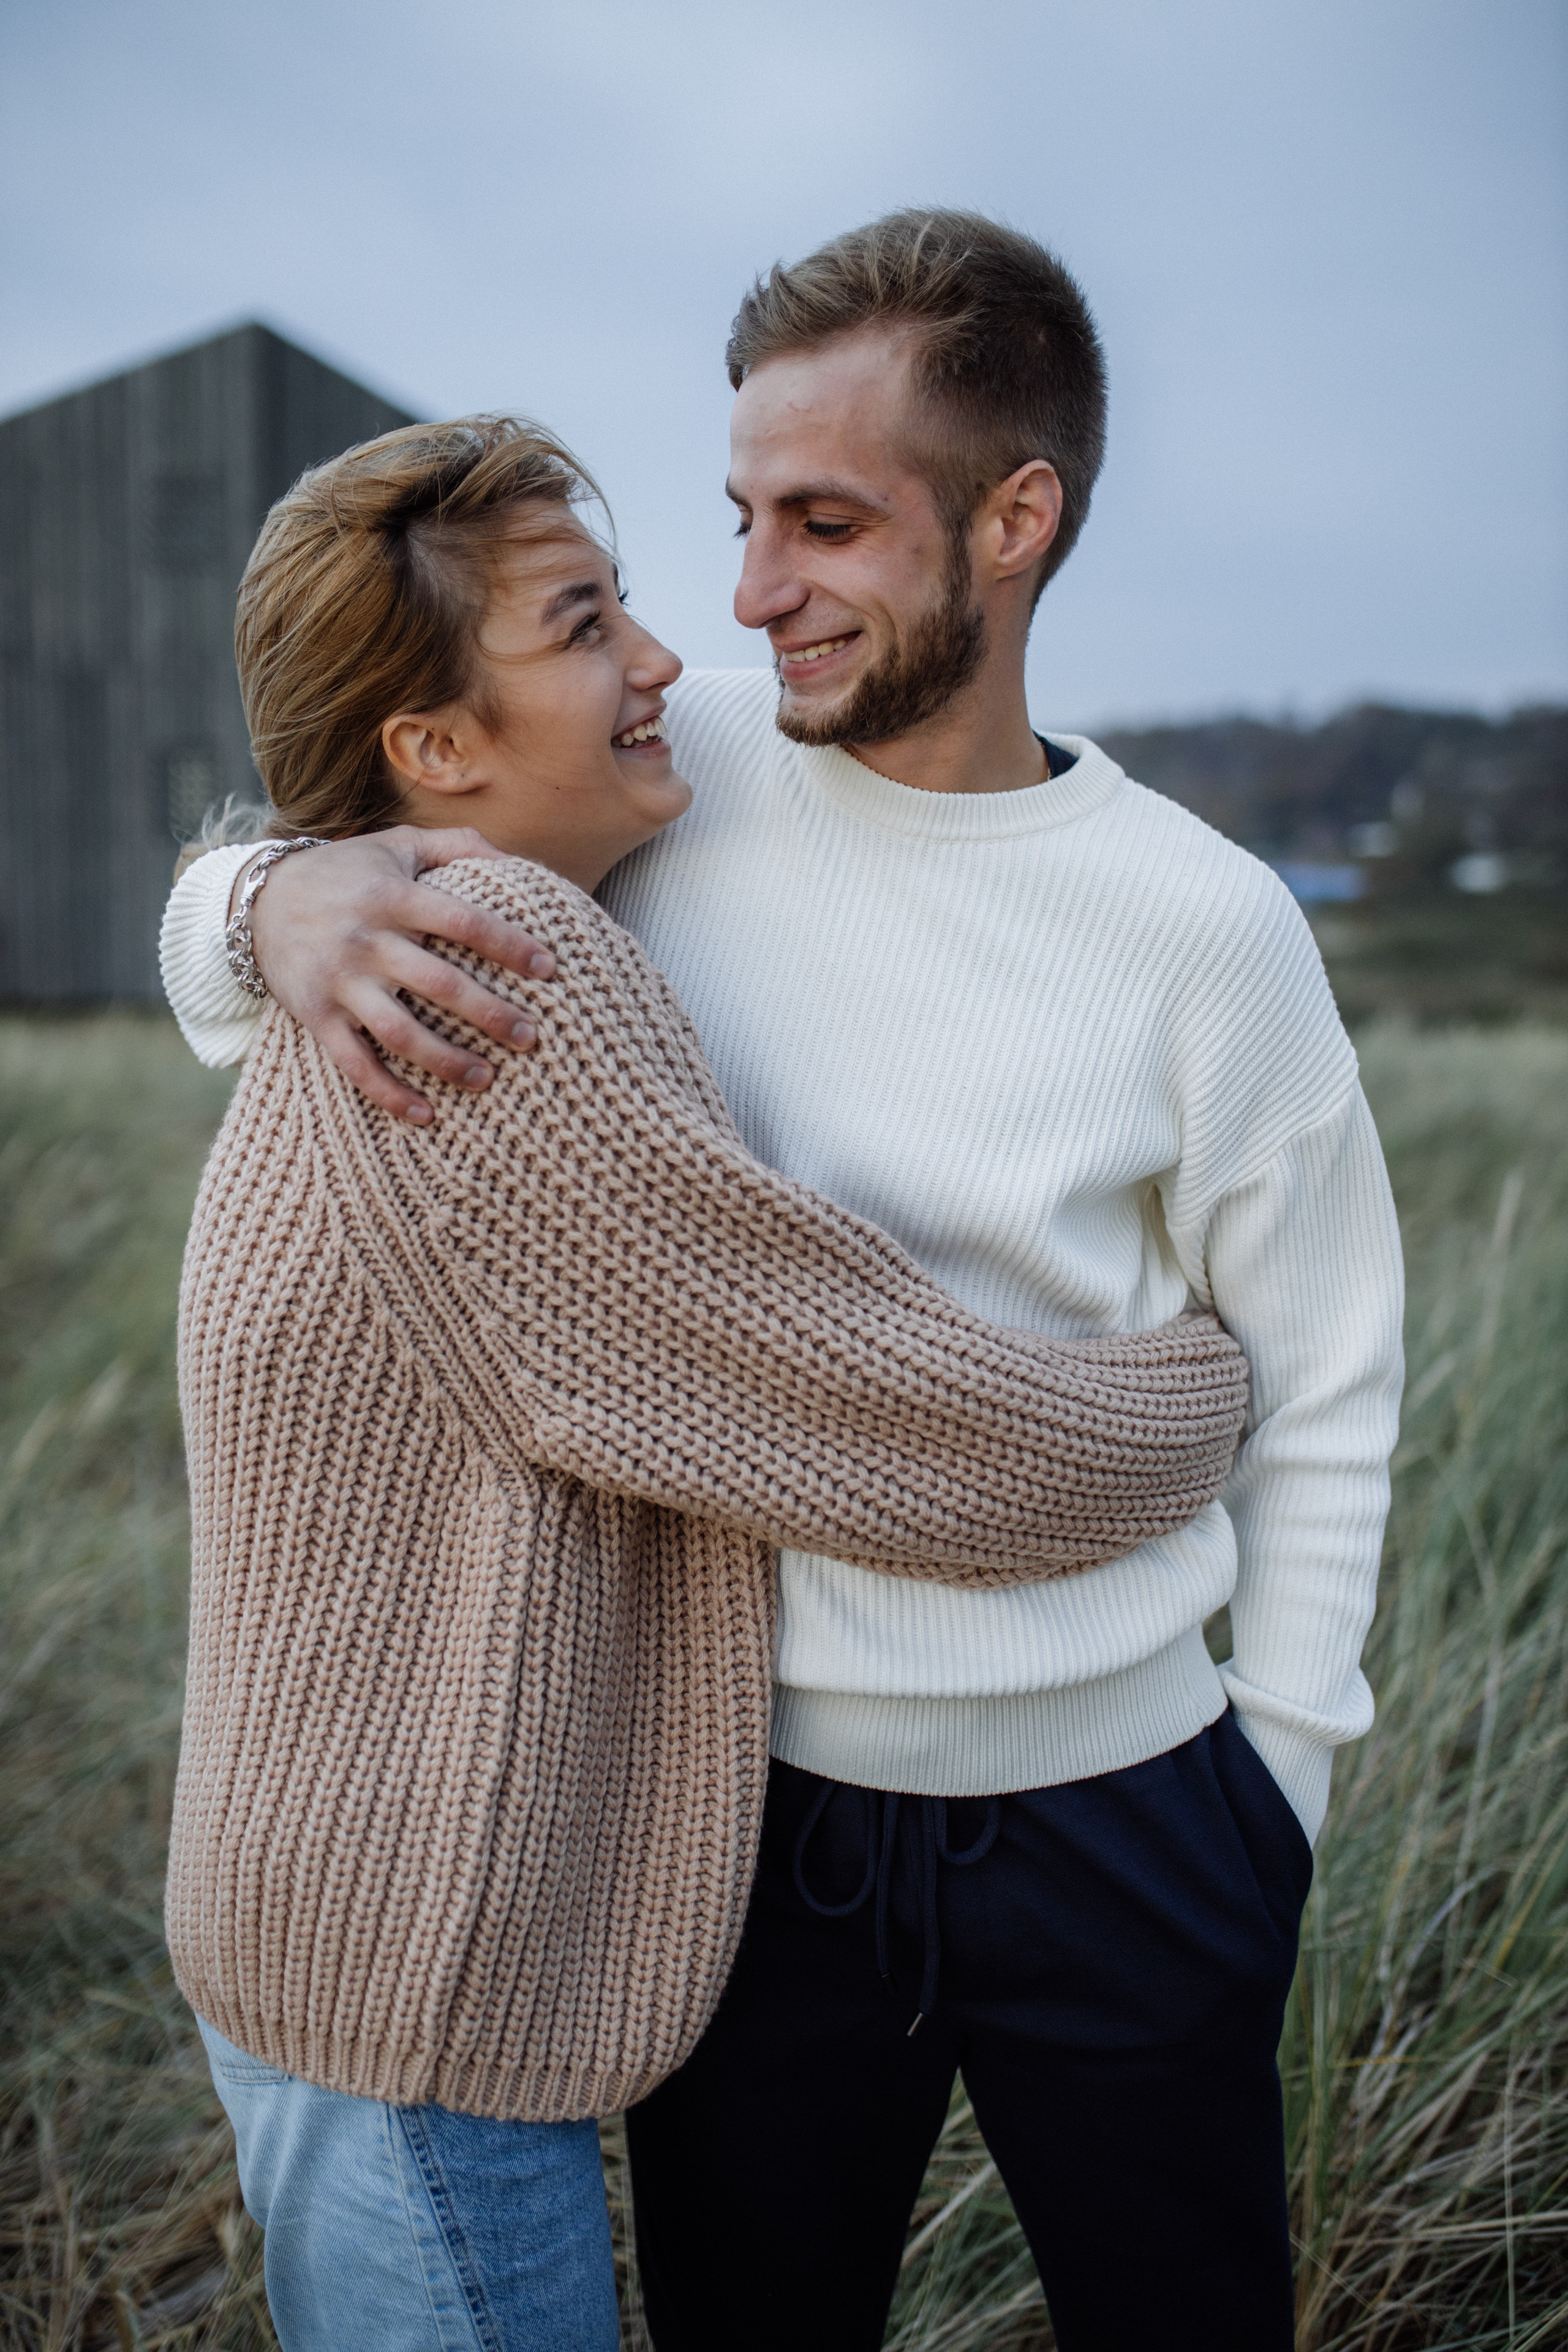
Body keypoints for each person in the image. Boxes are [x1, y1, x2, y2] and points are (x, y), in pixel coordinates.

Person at [162, 212, 1404, 2351]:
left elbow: (1332, 1383)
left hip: (1130, 1815)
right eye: (737, 518)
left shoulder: (1204, 929)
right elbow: (390, 832)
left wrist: (1267, 1801)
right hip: (740, 1826)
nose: (743, 599)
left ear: (1016, 520)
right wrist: (262, 900)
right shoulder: (677, 771)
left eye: (824, 524)